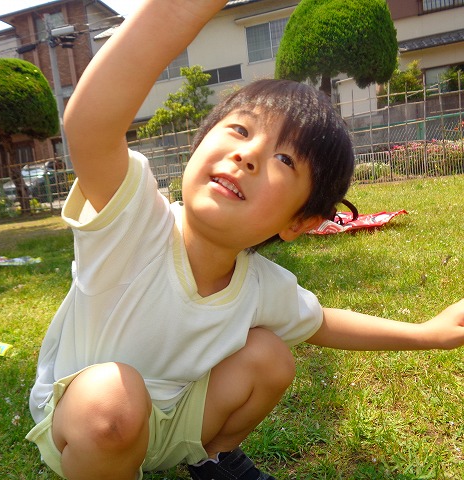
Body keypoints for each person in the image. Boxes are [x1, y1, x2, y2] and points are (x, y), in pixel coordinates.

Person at [26, 1, 464, 479]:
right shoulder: (133, 223)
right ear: (199, 145)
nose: (248, 154)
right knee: (113, 397)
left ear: (300, 222)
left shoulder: (259, 286)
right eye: (239, 129)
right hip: (86, 422)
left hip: (173, 426)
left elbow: (324, 323)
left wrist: (428, 334)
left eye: (285, 160)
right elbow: (91, 125)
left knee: (271, 357)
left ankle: (213, 458)